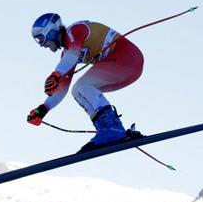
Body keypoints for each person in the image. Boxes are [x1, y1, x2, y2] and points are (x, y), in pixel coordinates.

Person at [27, 13, 144, 152]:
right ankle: (107, 130)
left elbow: (72, 56)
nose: (41, 45)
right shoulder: (67, 55)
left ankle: (112, 129)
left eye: (40, 39)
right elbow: (62, 88)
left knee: (82, 86)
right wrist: (43, 108)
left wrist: (56, 75)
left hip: (126, 58)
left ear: (51, 31)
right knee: (78, 90)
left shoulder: (74, 30)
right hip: (125, 69)